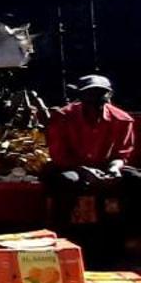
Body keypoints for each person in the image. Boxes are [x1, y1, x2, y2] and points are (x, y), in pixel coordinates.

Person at [43, 74, 139, 233]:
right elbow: (59, 155)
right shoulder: (63, 117)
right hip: (71, 167)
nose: (96, 99)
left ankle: (129, 234)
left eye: (101, 94)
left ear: (109, 95)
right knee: (65, 181)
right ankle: (63, 232)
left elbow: (123, 153)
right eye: (90, 94)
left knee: (136, 180)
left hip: (105, 167)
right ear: (81, 96)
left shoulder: (122, 119)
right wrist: (83, 170)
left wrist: (114, 168)